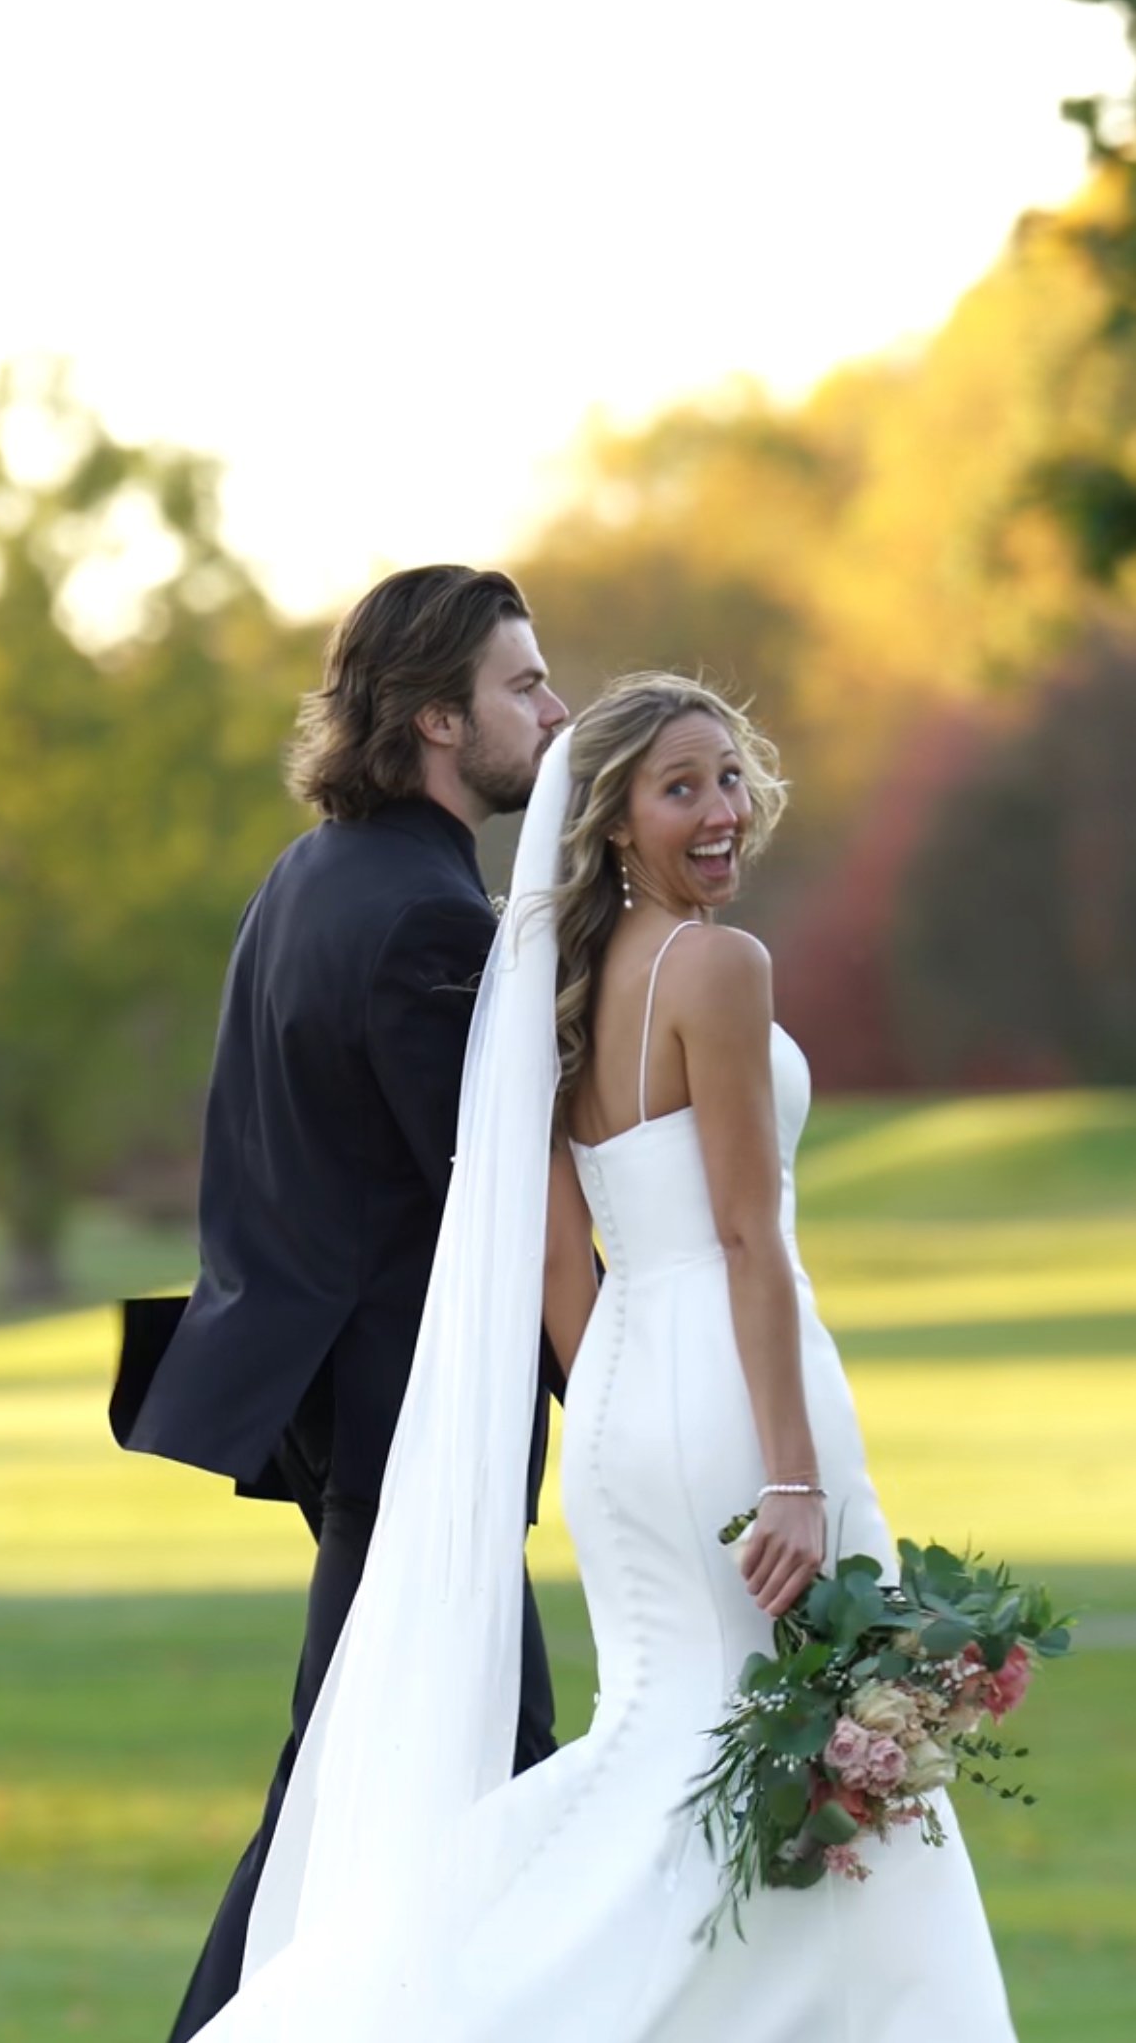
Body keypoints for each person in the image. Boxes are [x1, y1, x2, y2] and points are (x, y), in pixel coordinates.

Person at [191, 673, 1018, 2042]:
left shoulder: (562, 982)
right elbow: (748, 1241)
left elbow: (559, 1260)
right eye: (679, 786)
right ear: (615, 819)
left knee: (694, 1748)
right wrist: (791, 1478)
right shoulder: (719, 968)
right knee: (809, 1749)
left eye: (730, 776)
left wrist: (627, 1399)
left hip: (631, 1400)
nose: (721, 810)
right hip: (743, 1397)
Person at [109, 564, 569, 2042]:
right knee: (454, 1770)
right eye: (523, 686)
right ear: (438, 717)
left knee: (396, 1770)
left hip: (335, 1405)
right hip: (406, 1422)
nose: (554, 710)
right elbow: (497, 1208)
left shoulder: (312, 874)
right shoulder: (426, 919)